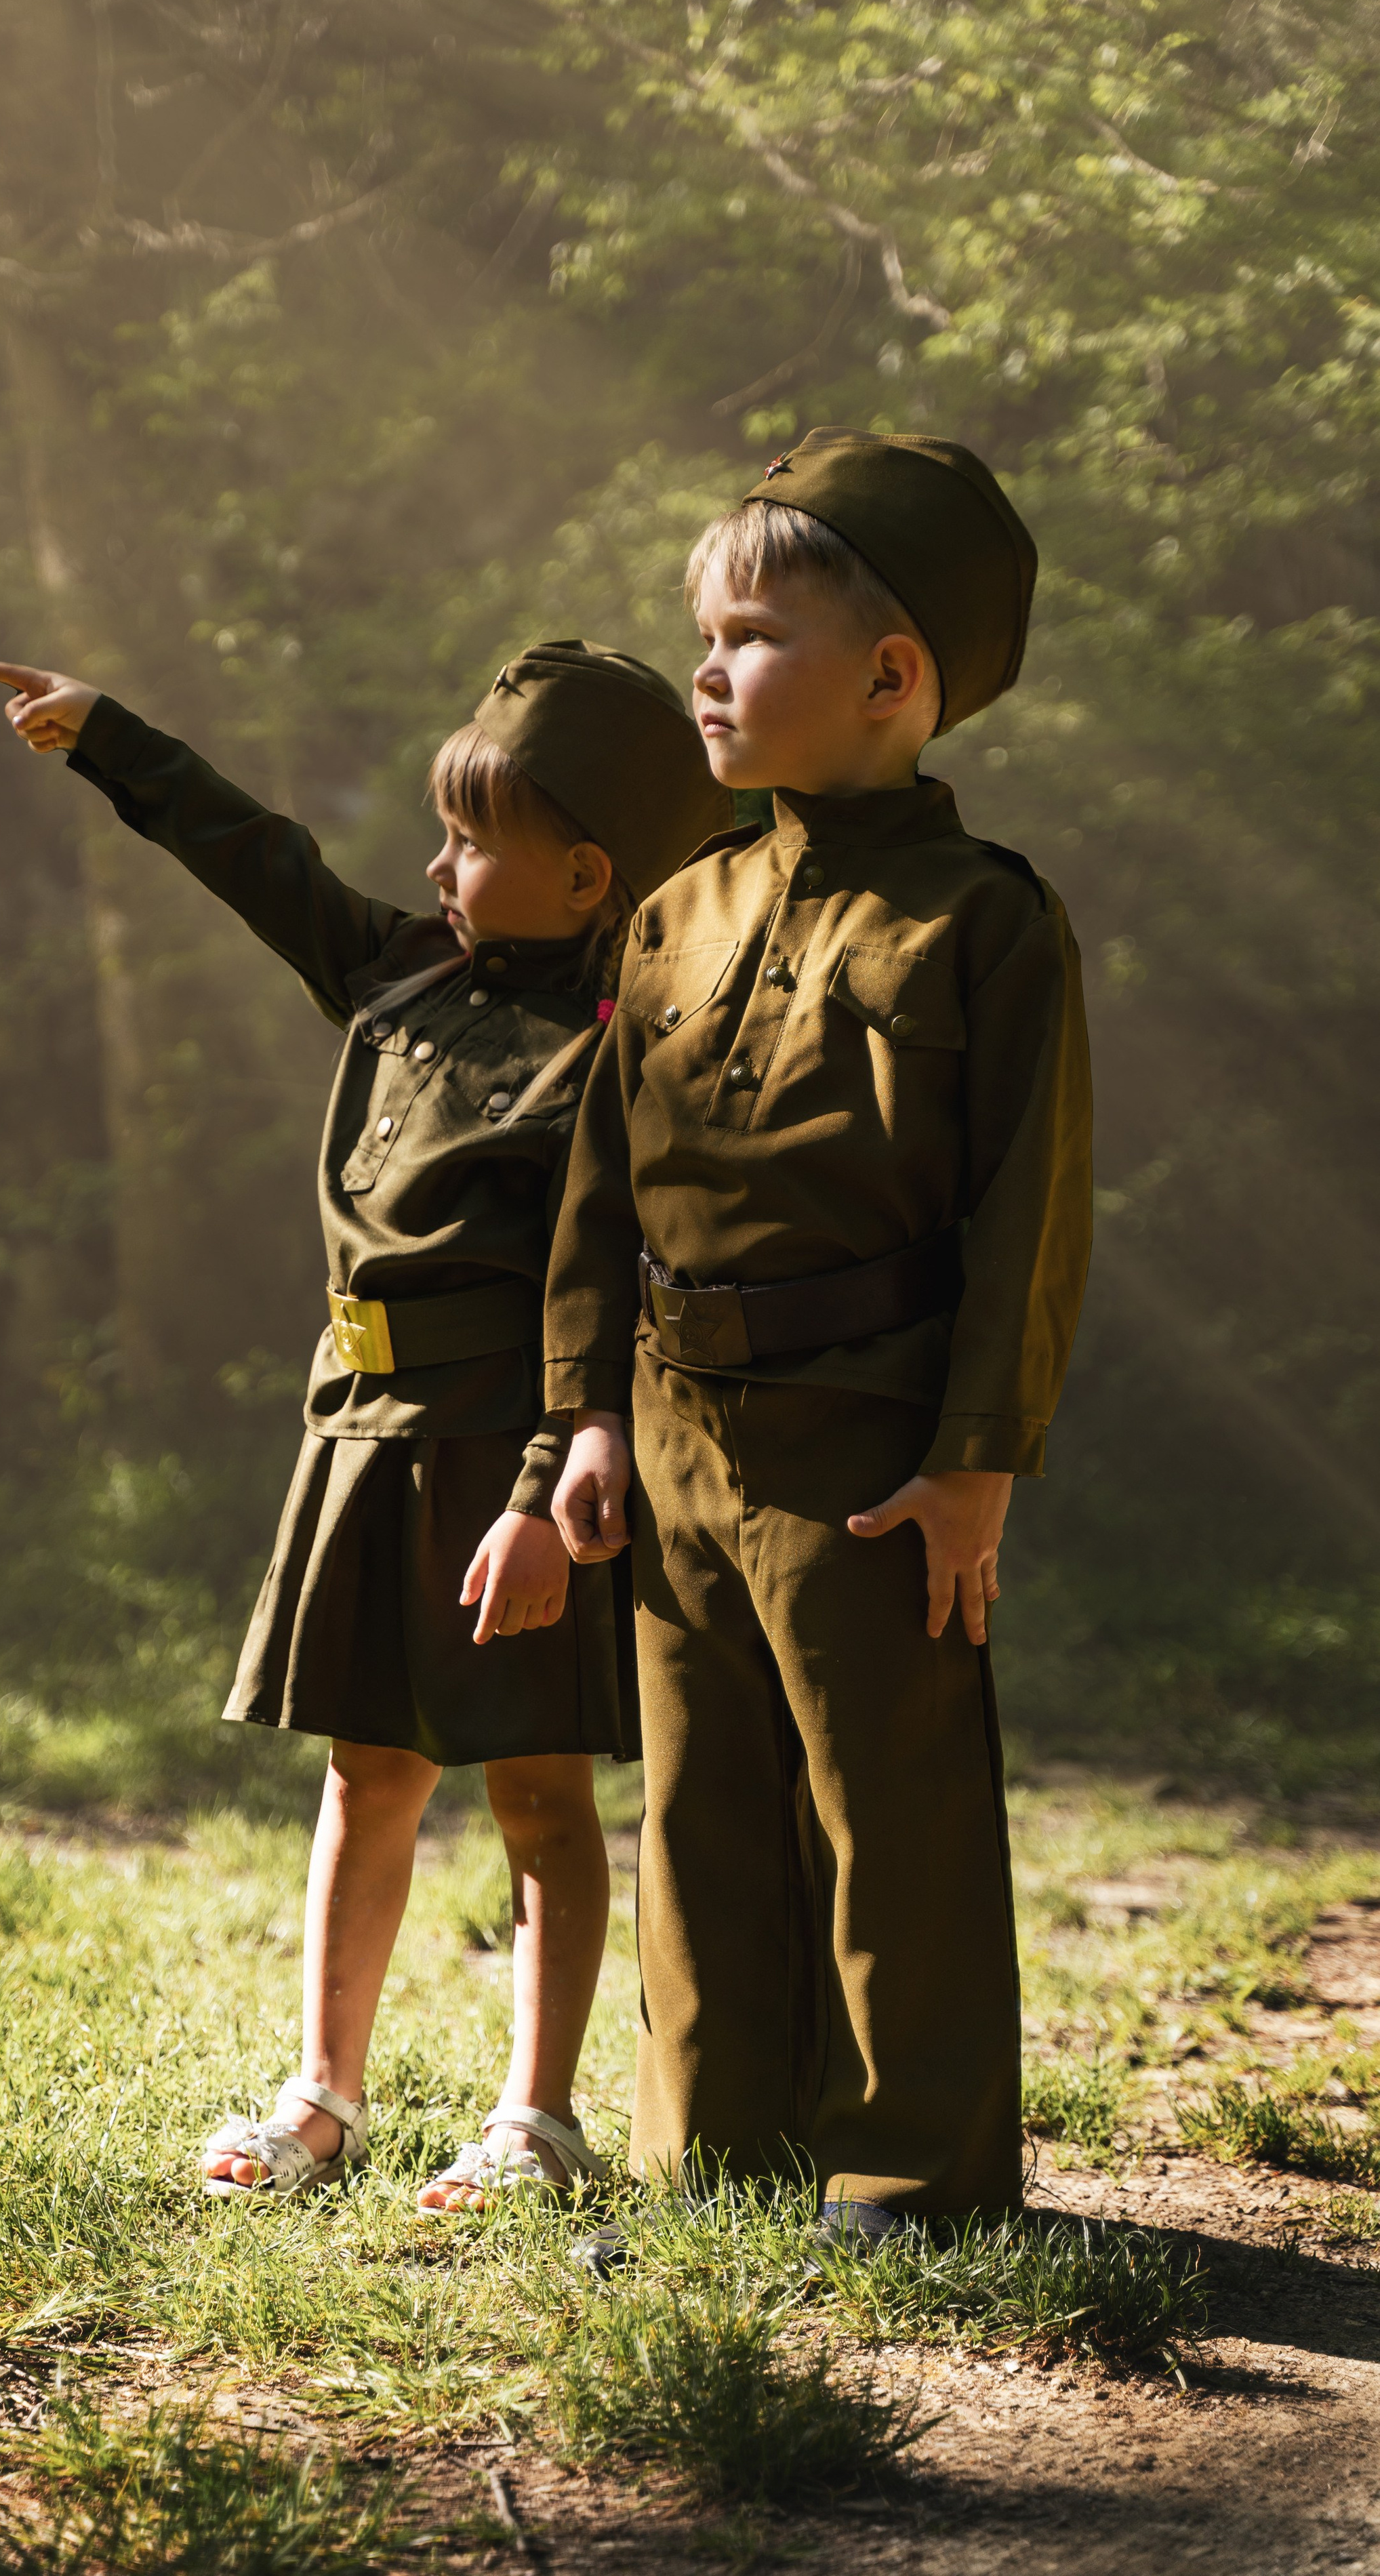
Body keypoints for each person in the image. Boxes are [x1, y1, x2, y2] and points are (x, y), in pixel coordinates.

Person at [0, 640, 721, 2212]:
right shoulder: (399, 976)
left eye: (470, 841)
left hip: (501, 1460)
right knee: (366, 1770)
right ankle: (325, 2093)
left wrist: (535, 1495)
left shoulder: (612, 1049)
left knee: (533, 1784)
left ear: (584, 875)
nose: (435, 866)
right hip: (361, 1434)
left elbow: (598, 1300)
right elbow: (262, 864)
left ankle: (538, 2117)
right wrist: (114, 738)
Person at [541, 429, 1094, 2235]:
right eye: (703, 631)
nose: (708, 668)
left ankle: (910, 2174)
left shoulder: (985, 922)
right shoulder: (670, 912)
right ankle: (714, 2151)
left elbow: (1029, 1213)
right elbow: (598, 1199)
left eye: (751, 635)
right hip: (675, 1426)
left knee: (891, 1812)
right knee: (704, 1808)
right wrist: (588, 1427)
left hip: (875, 1442)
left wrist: (975, 1464)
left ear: (892, 677)